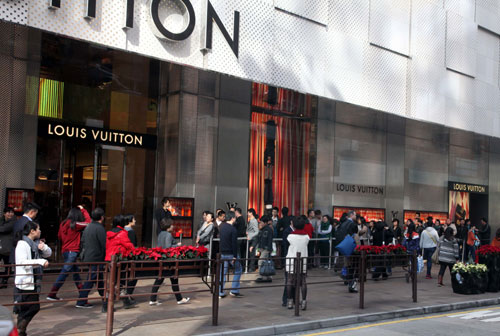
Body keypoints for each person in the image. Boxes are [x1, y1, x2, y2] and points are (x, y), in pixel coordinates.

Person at [14, 221, 51, 336]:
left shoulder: (36, 243)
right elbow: (22, 263)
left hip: (34, 280)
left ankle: (21, 331)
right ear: (32, 231)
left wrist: (43, 247)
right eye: (38, 229)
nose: (40, 231)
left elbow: (48, 253)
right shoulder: (22, 244)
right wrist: (40, 261)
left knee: (25, 308)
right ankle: (20, 329)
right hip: (25, 281)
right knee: (33, 307)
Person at [47, 206, 90, 301]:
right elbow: (88, 222)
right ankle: (52, 293)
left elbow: (59, 236)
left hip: (65, 251)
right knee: (65, 273)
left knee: (75, 273)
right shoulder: (75, 224)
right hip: (72, 251)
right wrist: (83, 210)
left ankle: (82, 294)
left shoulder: (63, 223)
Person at [150, 218, 190, 306]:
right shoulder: (168, 235)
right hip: (169, 261)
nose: (173, 226)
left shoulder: (160, 234)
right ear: (168, 226)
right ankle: (179, 299)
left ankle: (153, 299)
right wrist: (177, 245)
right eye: (171, 225)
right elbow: (168, 247)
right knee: (174, 279)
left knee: (159, 279)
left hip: (162, 260)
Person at [76, 208, 107, 310]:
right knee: (92, 278)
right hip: (97, 257)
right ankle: (81, 300)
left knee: (98, 279)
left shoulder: (88, 227)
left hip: (89, 256)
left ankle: (105, 297)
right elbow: (104, 244)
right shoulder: (100, 228)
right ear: (102, 217)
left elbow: (83, 242)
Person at [106, 215, 137, 309]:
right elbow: (129, 245)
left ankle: (107, 304)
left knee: (113, 281)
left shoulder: (109, 233)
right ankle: (123, 301)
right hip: (119, 260)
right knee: (121, 281)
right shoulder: (122, 233)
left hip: (109, 259)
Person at [285, 216, 309, 310]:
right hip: (303, 259)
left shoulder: (290, 236)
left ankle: (290, 301)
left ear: (293, 225)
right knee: (303, 280)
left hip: (291, 259)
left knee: (290, 280)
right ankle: (303, 301)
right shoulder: (306, 237)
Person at [218, 211, 244, 298]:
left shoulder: (221, 226)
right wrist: (235, 256)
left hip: (222, 253)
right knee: (238, 270)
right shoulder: (233, 229)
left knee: (222, 273)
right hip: (231, 253)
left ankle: (220, 292)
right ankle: (234, 290)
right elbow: (234, 244)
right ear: (232, 218)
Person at [0, 207, 15, 287]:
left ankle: (5, 281)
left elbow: (4, 229)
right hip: (1, 246)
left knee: (8, 265)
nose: (10, 214)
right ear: (4, 213)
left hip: (8, 248)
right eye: (8, 212)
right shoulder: (1, 220)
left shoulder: (13, 222)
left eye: (11, 212)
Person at [255, 216, 274, 282]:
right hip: (263, 248)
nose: (260, 223)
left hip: (266, 249)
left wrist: (269, 249)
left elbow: (269, 240)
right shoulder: (262, 229)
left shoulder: (268, 229)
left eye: (262, 222)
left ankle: (261, 276)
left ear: (265, 223)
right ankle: (268, 277)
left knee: (261, 261)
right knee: (266, 262)